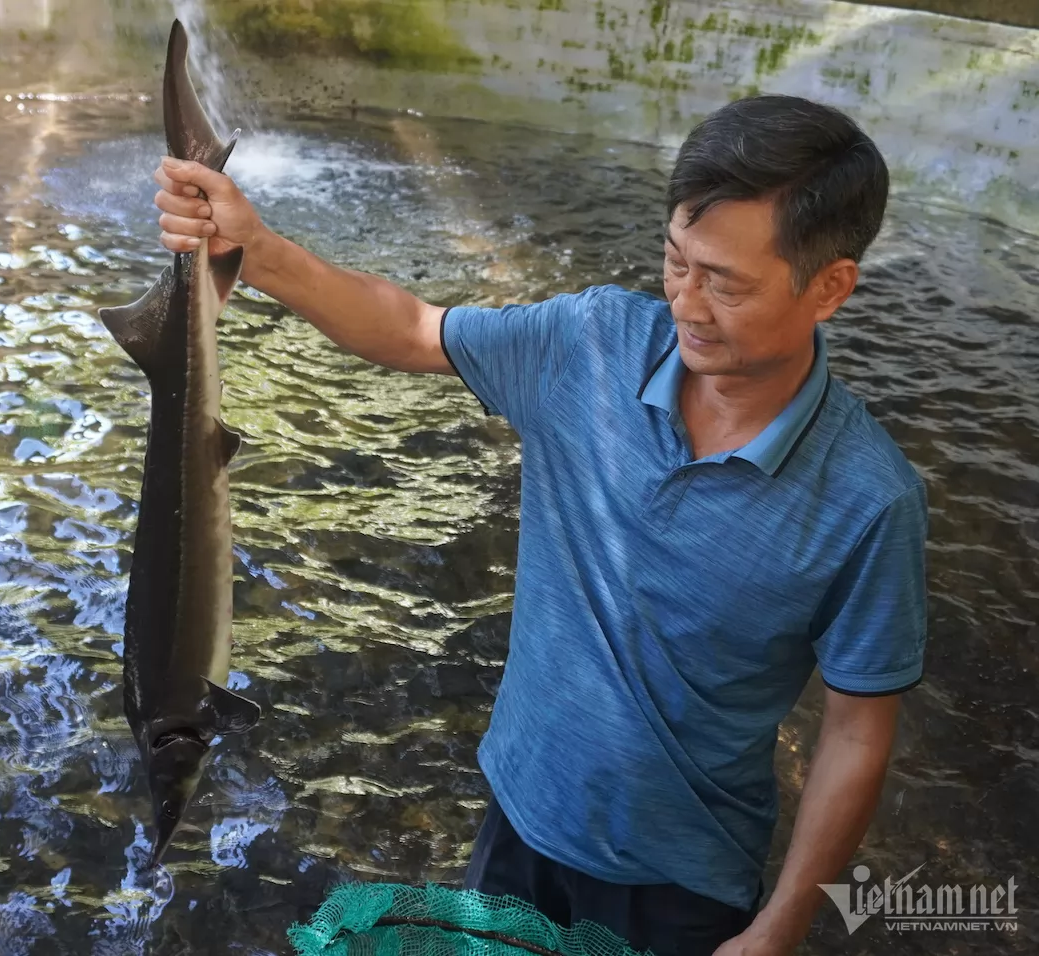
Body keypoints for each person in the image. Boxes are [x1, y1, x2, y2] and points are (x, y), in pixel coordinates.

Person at [147, 94, 928, 956]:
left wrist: (781, 927)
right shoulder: (588, 345)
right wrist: (254, 251)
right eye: (676, 262)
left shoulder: (869, 500)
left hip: (684, 884)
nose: (687, 305)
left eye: (726, 283)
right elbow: (412, 328)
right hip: (518, 823)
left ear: (831, 287)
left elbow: (857, 730)